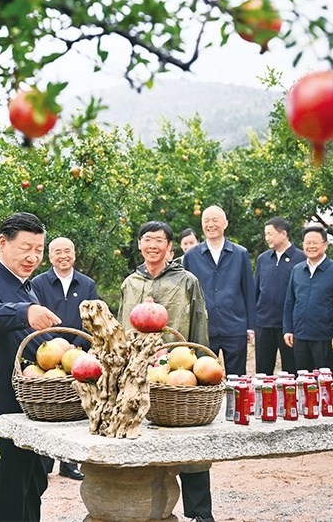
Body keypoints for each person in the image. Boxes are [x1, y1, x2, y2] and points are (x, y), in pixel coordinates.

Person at [0, 212, 61, 522]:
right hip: (0, 407)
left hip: (29, 405)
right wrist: (26, 311)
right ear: (3, 243)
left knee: (31, 489)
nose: (33, 257)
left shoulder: (26, 286)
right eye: (25, 248)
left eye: (38, 249)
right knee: (3, 499)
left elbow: (31, 343)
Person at [118, 221, 212, 522]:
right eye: (147, 239)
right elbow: (121, 329)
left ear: (170, 247)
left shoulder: (186, 281)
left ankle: (200, 513)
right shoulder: (131, 283)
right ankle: (146, 511)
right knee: (140, 441)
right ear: (139, 244)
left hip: (178, 373)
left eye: (159, 240)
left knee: (190, 444)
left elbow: (199, 323)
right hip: (138, 374)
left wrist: (201, 366)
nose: (153, 245)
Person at [32, 236, 100, 481]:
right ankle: (45, 460)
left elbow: (94, 318)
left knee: (75, 405)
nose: (63, 256)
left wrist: (78, 346)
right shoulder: (38, 284)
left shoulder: (86, 284)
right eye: (58, 252)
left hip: (78, 353)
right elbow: (35, 320)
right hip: (47, 353)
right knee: (49, 405)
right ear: (50, 257)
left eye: (67, 251)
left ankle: (69, 463)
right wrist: (55, 346)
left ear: (74, 253)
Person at [183, 205, 256, 376]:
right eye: (206, 221)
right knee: (203, 377)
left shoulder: (240, 253)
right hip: (203, 328)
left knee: (237, 377)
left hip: (234, 325)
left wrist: (250, 326)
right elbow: (185, 294)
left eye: (215, 220)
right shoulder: (191, 256)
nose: (210, 224)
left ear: (225, 223)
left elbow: (248, 291)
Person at [282, 226, 333, 376]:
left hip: (324, 337)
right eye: (308, 243)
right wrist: (288, 329)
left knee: (324, 381)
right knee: (302, 380)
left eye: (315, 242)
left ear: (325, 245)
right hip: (300, 335)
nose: (311, 246)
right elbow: (289, 302)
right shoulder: (297, 270)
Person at [254, 217, 306, 375]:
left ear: (283, 234)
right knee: (263, 372)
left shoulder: (301, 258)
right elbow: (256, 291)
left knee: (292, 372)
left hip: (289, 326)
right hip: (264, 323)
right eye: (265, 234)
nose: (267, 238)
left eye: (270, 234)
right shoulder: (263, 259)